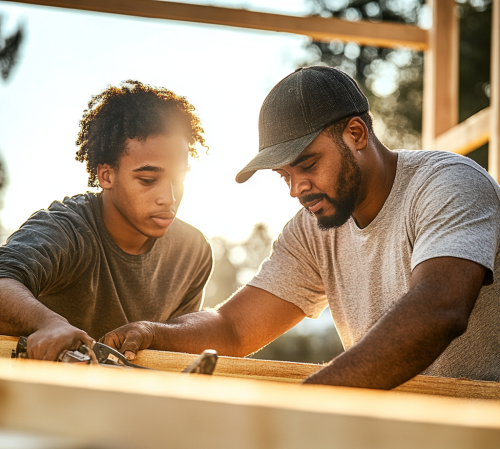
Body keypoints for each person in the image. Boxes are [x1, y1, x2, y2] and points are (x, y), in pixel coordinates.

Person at [104, 67, 498, 388]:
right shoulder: (314, 228)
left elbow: (439, 309)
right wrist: (155, 332)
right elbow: (234, 327)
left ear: (356, 134)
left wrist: (312, 401)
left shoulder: (447, 184)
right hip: (399, 433)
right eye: (284, 176)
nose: (297, 190)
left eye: (308, 165)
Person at [0, 80, 212, 361]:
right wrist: (49, 323)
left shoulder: (193, 252)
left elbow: (177, 349)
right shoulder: (67, 229)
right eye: (148, 180)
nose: (169, 198)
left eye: (178, 179)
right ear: (106, 176)